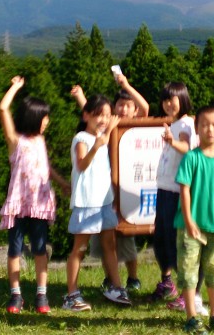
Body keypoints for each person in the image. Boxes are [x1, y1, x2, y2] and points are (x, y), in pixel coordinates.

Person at [69, 71, 149, 292]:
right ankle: (111, 281)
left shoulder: (129, 129)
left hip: (123, 189)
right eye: (120, 105)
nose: (123, 109)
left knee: (126, 237)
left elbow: (145, 108)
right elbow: (94, 118)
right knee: (106, 241)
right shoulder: (107, 128)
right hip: (101, 192)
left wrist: (126, 84)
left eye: (128, 106)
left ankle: (132, 278)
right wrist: (80, 98)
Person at [0, 76, 69, 315]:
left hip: (39, 204)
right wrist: (16, 87)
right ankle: (16, 295)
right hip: (19, 204)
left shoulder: (40, 141)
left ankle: (41, 293)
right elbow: (2, 108)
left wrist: (61, 184)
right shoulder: (14, 141)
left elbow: (45, 167)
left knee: (40, 249)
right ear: (34, 118)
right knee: (14, 250)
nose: (47, 122)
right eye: (44, 118)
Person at [63, 94, 132, 310]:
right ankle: (71, 294)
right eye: (98, 115)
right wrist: (98, 144)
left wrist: (110, 128)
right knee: (79, 249)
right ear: (86, 116)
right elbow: (82, 164)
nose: (103, 119)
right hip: (86, 203)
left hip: (104, 201)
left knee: (109, 245)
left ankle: (117, 287)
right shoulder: (82, 138)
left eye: (107, 115)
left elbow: (113, 121)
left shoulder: (103, 135)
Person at [174, 106, 214, 334]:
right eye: (204, 125)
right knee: (189, 271)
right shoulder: (191, 158)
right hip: (190, 228)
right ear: (197, 129)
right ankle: (191, 316)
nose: (209, 129)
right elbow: (184, 190)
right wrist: (189, 220)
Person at [151, 81, 203, 314]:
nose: (168, 103)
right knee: (161, 241)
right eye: (165, 99)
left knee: (174, 244)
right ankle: (170, 284)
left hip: (177, 192)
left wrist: (173, 141)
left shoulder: (185, 124)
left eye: (173, 98)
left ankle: (187, 293)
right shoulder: (174, 123)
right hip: (164, 189)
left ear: (183, 99)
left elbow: (186, 145)